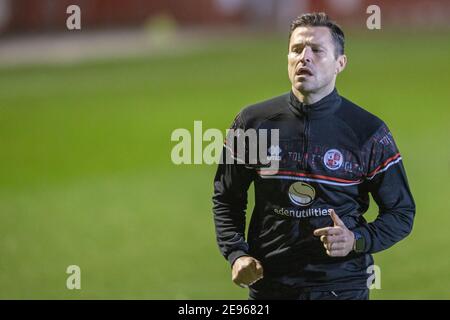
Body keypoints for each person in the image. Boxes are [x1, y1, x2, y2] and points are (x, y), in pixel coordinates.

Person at [212, 12, 415, 300]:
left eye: (316, 50)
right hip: (270, 285)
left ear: (339, 63)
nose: (304, 57)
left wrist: (356, 240)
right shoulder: (253, 123)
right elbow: (227, 197)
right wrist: (236, 254)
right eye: (296, 49)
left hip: (342, 286)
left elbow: (401, 212)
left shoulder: (367, 131)